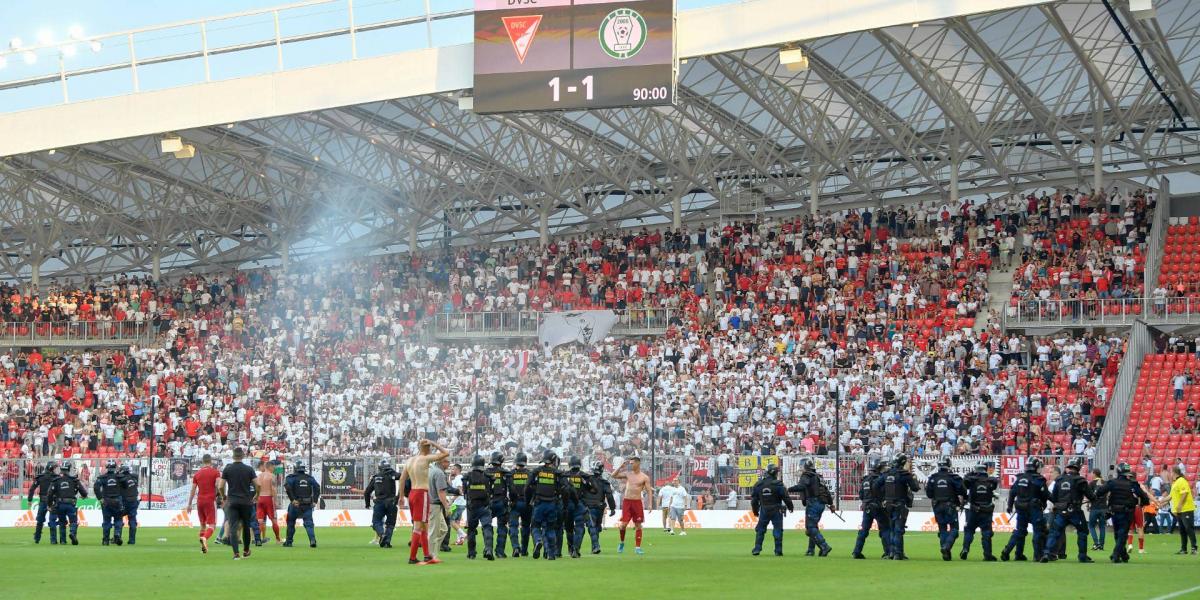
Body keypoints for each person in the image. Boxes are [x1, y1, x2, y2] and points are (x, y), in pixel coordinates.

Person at [397, 438, 450, 565]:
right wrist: (433, 442)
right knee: (418, 526)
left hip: (412, 494)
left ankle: (427, 555)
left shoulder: (409, 460)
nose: (431, 449)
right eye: (430, 447)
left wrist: (401, 496)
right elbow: (445, 453)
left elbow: (402, 479)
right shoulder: (426, 459)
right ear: (427, 448)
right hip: (422, 493)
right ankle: (412, 557)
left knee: (424, 525)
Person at [1043, 457, 1096, 562]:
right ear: (1078, 468)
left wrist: (1058, 504)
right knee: (1082, 532)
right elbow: (1091, 496)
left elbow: (1053, 497)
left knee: (1054, 532)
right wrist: (1094, 498)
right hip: (1075, 511)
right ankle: (1082, 556)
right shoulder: (1080, 480)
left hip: (1060, 512)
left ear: (1069, 467)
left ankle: (1046, 554)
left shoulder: (1059, 479)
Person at [1097, 462, 1150, 563]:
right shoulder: (1132, 484)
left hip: (1114, 512)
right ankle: (1116, 554)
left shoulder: (1112, 482)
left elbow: (1100, 492)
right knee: (1122, 534)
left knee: (1118, 534)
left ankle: (1124, 555)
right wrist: (1142, 503)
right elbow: (1144, 497)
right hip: (1127, 512)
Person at [1001, 457, 1049, 562]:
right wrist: (1047, 502)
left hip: (1020, 508)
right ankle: (1038, 556)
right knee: (1038, 531)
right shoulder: (1039, 479)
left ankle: (1009, 551)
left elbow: (1012, 492)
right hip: (1034, 509)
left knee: (1020, 531)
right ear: (1036, 467)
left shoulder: (1020, 478)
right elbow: (1045, 495)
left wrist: (1009, 506)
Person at [218, 447, 259, 560]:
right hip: (246, 501)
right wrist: (257, 495)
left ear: (233, 456)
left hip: (232, 501)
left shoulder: (228, 469)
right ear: (243, 456)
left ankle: (236, 553)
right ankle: (246, 551)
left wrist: (224, 496)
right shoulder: (249, 469)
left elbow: (220, 486)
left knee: (233, 526)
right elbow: (258, 484)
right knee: (246, 526)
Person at [876, 455, 918, 560]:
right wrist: (914, 479)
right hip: (899, 504)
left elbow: (875, 486)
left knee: (891, 529)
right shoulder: (904, 475)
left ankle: (892, 552)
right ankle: (898, 553)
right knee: (898, 530)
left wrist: (883, 498)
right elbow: (915, 488)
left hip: (888, 505)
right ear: (903, 462)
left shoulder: (886, 474)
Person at [924, 457, 967, 561]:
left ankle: (945, 551)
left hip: (937, 506)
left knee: (942, 529)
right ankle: (946, 547)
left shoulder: (933, 478)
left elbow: (929, 494)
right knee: (954, 529)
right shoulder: (953, 477)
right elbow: (962, 490)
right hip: (950, 505)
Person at [789, 459, 833, 557]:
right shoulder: (818, 476)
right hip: (821, 504)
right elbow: (826, 490)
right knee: (813, 527)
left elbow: (801, 487)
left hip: (813, 503)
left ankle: (824, 546)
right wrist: (831, 504)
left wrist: (788, 489)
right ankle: (811, 550)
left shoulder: (806, 475)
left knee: (810, 527)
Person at [528, 450, 565, 560]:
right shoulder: (557, 473)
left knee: (535, 526)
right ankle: (551, 554)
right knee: (550, 529)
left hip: (539, 503)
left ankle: (538, 540)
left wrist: (529, 499)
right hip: (552, 504)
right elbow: (565, 488)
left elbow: (528, 486)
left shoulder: (537, 471)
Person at [612, 456, 653, 555]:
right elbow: (613, 475)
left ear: (638, 463)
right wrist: (621, 466)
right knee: (623, 525)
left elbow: (649, 490)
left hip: (637, 502)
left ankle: (637, 547)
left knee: (638, 525)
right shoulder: (628, 474)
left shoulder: (644, 477)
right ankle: (622, 543)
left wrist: (650, 504)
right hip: (627, 502)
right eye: (630, 463)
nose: (630, 464)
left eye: (632, 463)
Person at [750, 463, 793, 556]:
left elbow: (754, 500)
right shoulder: (778, 484)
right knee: (778, 529)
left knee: (760, 529)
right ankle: (778, 550)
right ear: (775, 473)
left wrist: (755, 511)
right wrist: (790, 507)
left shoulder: (759, 484)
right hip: (777, 509)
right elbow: (786, 497)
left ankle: (757, 548)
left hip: (764, 509)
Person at [960, 461, 999, 561]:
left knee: (969, 530)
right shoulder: (990, 481)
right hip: (986, 511)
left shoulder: (972, 481)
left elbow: (965, 482)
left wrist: (973, 474)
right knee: (986, 532)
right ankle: (987, 554)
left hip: (974, 510)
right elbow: (995, 482)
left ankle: (965, 549)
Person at [851, 459, 888, 559]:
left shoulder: (865, 480)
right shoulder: (881, 479)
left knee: (863, 530)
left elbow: (861, 495)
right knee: (884, 529)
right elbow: (884, 493)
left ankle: (856, 551)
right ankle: (888, 552)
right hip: (878, 507)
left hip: (867, 506)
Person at [187, 454, 221, 553]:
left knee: (202, 525)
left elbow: (193, 490)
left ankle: (203, 548)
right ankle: (205, 538)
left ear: (203, 462)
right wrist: (220, 494)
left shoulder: (197, 474)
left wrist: (189, 504)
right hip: (210, 500)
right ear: (211, 462)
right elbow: (218, 484)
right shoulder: (215, 472)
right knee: (212, 525)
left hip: (200, 501)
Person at [562, 456, 594, 557]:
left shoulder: (564, 475)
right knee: (580, 527)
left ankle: (570, 548)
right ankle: (576, 549)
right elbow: (592, 489)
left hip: (567, 504)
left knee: (569, 528)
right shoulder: (584, 476)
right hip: (579, 504)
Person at [364, 458, 401, 549]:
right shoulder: (392, 474)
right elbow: (402, 476)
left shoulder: (376, 477)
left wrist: (367, 504)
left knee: (376, 522)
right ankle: (387, 541)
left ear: (379, 468)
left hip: (379, 503)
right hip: (391, 502)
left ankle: (382, 534)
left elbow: (367, 492)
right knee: (390, 524)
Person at [283, 460, 320, 548]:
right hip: (307, 504)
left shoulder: (291, 477)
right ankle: (312, 540)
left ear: (295, 468)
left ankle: (289, 542)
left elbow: (287, 487)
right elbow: (317, 487)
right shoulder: (309, 478)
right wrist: (314, 500)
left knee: (291, 522)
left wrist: (292, 500)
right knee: (309, 523)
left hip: (296, 504)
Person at [581, 461, 617, 554]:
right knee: (596, 527)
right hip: (600, 507)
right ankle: (595, 545)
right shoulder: (604, 482)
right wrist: (612, 508)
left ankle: (595, 546)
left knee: (592, 527)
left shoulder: (587, 480)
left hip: (589, 507)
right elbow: (609, 496)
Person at [49, 461, 87, 546]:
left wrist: (49, 505)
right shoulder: (74, 480)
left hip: (60, 504)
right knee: (73, 521)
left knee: (62, 522)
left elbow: (50, 493)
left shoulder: (56, 480)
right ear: (69, 469)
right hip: (71, 504)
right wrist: (83, 496)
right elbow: (84, 492)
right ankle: (72, 533)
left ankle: (63, 541)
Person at [484, 451, 512, 558]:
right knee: (502, 527)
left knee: (487, 527)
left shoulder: (486, 472)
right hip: (501, 502)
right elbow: (511, 489)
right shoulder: (505, 473)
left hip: (488, 502)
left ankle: (488, 549)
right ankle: (500, 551)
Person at [1163, 466, 1197, 554]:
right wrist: (1160, 502)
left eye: (1171, 472)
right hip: (1180, 511)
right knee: (1182, 530)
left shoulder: (1181, 481)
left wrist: (1180, 505)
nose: (1170, 474)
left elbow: (1185, 493)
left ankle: (1194, 548)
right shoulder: (1175, 483)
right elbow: (1170, 496)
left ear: (1174, 473)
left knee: (1189, 528)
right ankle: (1184, 549)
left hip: (1186, 509)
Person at [425, 456, 453, 562]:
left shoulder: (431, 471)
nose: (449, 464)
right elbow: (441, 492)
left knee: (443, 529)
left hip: (431, 503)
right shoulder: (440, 473)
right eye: (448, 462)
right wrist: (447, 506)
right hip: (435, 505)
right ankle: (431, 555)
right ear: (443, 462)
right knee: (433, 531)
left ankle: (432, 551)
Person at [94, 460, 125, 546]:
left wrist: (100, 498)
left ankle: (105, 540)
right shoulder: (119, 477)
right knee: (118, 519)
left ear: (107, 467)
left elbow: (96, 488)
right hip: (117, 501)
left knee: (106, 521)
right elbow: (126, 485)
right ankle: (117, 534)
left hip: (106, 501)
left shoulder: (102, 478)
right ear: (115, 467)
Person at [508, 452, 532, 557]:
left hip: (515, 503)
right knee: (526, 526)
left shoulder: (511, 473)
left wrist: (512, 500)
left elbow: (510, 489)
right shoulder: (529, 474)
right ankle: (524, 550)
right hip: (527, 503)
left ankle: (515, 547)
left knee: (513, 526)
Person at [27, 462, 59, 544]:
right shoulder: (56, 477)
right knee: (52, 520)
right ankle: (53, 539)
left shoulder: (40, 477)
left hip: (43, 501)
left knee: (40, 520)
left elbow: (32, 489)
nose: (56, 469)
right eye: (54, 468)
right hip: (53, 501)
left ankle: (37, 538)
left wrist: (30, 500)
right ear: (52, 468)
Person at [255, 460, 281, 546]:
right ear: (269, 467)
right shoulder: (271, 476)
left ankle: (260, 538)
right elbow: (273, 489)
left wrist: (257, 497)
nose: (274, 469)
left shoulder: (259, 476)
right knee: (274, 520)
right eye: (273, 467)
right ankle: (277, 539)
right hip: (268, 498)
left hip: (260, 498)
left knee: (260, 520)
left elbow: (257, 487)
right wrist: (276, 501)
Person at [117, 463, 140, 545]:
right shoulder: (134, 478)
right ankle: (132, 540)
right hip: (134, 501)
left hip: (124, 501)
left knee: (118, 518)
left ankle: (118, 536)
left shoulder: (121, 479)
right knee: (132, 520)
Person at [1088, 468, 1109, 551]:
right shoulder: (1105, 482)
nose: (1090, 475)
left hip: (1095, 508)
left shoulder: (1092, 483)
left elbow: (1089, 495)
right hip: (1104, 508)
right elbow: (1107, 494)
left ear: (1094, 474)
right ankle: (1101, 545)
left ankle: (1096, 544)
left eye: (1091, 473)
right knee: (1102, 527)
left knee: (1091, 526)